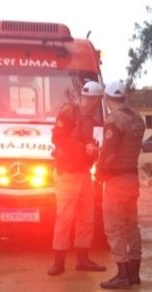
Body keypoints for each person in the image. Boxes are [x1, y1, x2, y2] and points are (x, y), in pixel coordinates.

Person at [47, 81, 107, 275]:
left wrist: (94, 149)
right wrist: (83, 149)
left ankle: (82, 259)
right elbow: (58, 139)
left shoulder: (91, 118)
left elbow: (88, 142)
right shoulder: (69, 112)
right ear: (93, 98)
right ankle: (59, 262)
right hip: (67, 172)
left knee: (86, 218)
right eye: (97, 99)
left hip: (82, 172)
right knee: (64, 217)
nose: (97, 103)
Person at [96, 81, 147, 290]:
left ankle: (122, 274)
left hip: (116, 180)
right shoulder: (137, 119)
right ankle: (134, 273)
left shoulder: (114, 120)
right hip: (132, 179)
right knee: (131, 226)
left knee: (114, 227)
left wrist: (99, 172)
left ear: (108, 99)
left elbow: (109, 152)